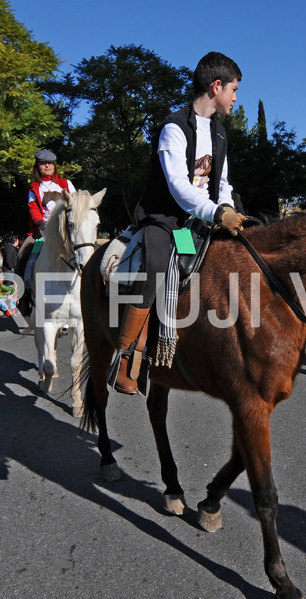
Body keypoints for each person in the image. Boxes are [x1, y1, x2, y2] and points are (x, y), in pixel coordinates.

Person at [112, 51, 246, 395]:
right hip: (166, 217)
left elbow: (223, 183)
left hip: (201, 219)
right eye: (233, 89)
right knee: (156, 263)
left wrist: (228, 207)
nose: (235, 97)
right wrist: (216, 212)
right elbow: (179, 187)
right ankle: (127, 358)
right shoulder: (173, 127)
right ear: (216, 86)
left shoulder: (219, 134)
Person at [16, 149, 78, 315]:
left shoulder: (66, 184)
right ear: (38, 166)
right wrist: (41, 223)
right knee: (23, 253)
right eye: (44, 163)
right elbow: (33, 208)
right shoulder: (34, 187)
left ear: (54, 165)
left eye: (50, 163)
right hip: (42, 231)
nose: (48, 166)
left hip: (65, 228)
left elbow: (75, 203)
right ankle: (24, 296)